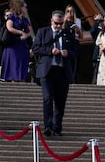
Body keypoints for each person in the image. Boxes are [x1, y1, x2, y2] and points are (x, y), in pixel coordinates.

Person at [31, 8, 78, 136]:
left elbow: (75, 51)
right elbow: (35, 48)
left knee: (60, 101)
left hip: (62, 71)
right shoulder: (43, 32)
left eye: (60, 23)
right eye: (56, 23)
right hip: (47, 71)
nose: (58, 26)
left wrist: (67, 53)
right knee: (47, 98)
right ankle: (48, 126)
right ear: (51, 21)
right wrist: (50, 51)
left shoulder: (68, 33)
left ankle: (57, 128)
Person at [0, 0, 32, 82]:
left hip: (22, 45)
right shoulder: (12, 17)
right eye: (25, 7)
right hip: (13, 45)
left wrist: (26, 35)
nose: (26, 9)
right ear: (19, 7)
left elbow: (30, 31)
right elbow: (9, 27)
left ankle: (22, 81)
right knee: (14, 67)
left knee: (22, 66)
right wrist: (20, 32)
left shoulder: (25, 19)